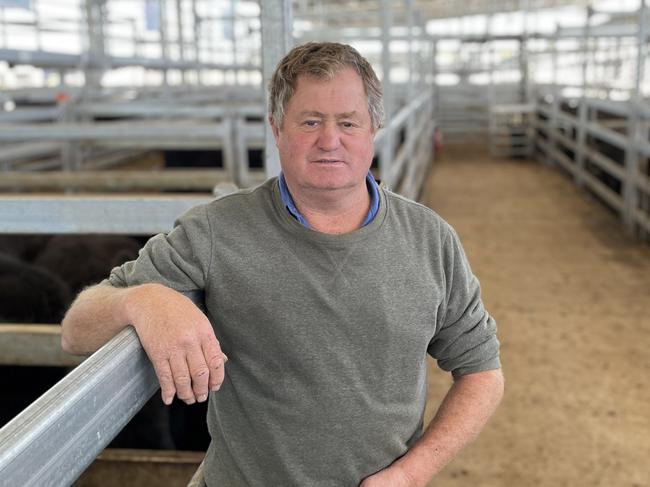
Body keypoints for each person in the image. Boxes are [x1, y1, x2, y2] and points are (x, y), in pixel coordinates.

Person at [61, 42, 504, 486]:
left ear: (374, 128)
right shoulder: (216, 231)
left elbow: (482, 372)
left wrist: (411, 474)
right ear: (277, 129)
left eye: (347, 123)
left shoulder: (430, 239)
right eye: (310, 122)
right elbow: (76, 329)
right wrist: (142, 299)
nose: (329, 141)